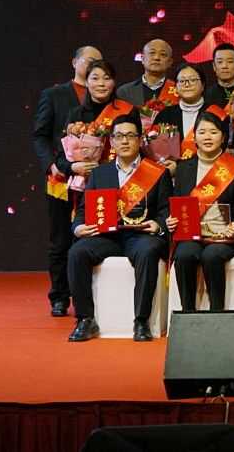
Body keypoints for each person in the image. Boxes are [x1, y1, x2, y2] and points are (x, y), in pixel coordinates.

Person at [65, 114, 170, 342]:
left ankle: (141, 321)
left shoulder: (157, 173)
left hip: (140, 236)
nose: (124, 141)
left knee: (149, 250)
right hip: (107, 237)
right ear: (111, 141)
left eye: (130, 136)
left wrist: (158, 224)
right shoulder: (99, 173)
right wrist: (78, 227)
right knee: (77, 252)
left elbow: (165, 210)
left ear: (140, 140)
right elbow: (83, 209)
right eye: (119, 136)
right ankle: (85, 319)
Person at [32, 44, 101, 317]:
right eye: (88, 60)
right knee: (60, 238)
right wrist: (51, 165)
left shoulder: (104, 98)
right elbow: (40, 135)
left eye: (98, 62)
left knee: (91, 236)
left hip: (94, 178)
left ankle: (90, 296)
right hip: (61, 178)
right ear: (74, 62)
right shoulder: (54, 95)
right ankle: (59, 296)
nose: (93, 65)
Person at [168, 110, 234, 313]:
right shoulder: (183, 168)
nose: (207, 137)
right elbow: (177, 205)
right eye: (202, 132)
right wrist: (171, 220)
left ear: (223, 137)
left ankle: (216, 312)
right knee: (184, 254)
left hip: (228, 236)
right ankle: (187, 313)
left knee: (212, 255)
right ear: (194, 137)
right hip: (194, 234)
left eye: (213, 132)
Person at [152, 63, 211, 174]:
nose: (187, 84)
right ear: (176, 87)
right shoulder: (165, 115)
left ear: (203, 85)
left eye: (192, 80)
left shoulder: (214, 113)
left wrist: (180, 168)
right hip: (172, 176)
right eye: (182, 81)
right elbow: (157, 148)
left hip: (206, 173)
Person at [116, 38, 175, 107]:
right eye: (152, 53)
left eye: (163, 54)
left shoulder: (178, 91)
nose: (156, 58)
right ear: (142, 59)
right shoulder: (125, 91)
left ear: (170, 62)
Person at [204, 44, 234, 109]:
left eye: (230, 62)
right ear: (214, 66)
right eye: (220, 62)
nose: (224, 66)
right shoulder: (204, 96)